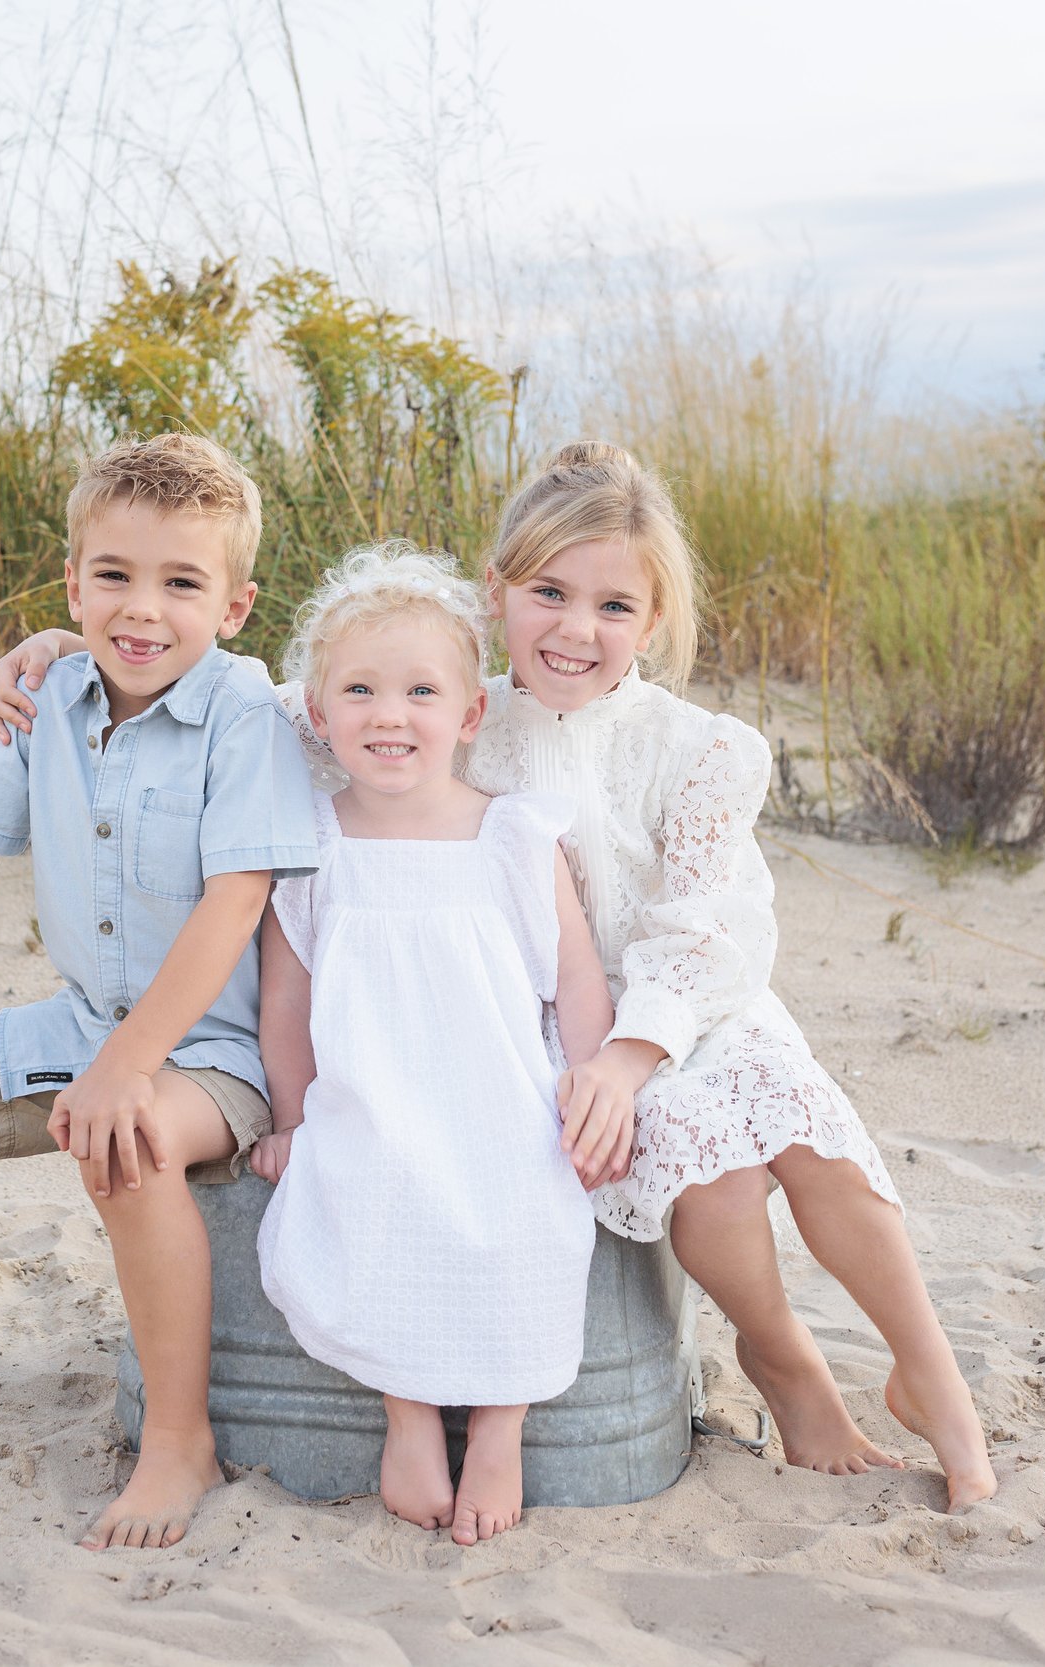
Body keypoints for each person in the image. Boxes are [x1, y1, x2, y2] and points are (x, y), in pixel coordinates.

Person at [0, 442, 999, 1511]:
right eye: (548, 593)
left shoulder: (697, 746)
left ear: (649, 623)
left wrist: (622, 1053)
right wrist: (67, 646)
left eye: (613, 605)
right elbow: (235, 673)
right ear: (498, 594)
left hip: (678, 1006)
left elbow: (710, 929)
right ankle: (780, 1353)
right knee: (713, 1183)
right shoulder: (449, 696)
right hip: (515, 1021)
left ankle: (924, 1365)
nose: (575, 628)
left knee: (795, 1122)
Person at [0, 432, 318, 1550]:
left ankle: (177, 1438)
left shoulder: (247, 716)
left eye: (181, 583)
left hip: (211, 1051)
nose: (143, 610)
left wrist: (127, 1068)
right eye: (115, 577)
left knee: (124, 1144)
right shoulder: (46, 694)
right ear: (73, 585)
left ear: (234, 606)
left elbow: (234, 904)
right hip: (84, 1022)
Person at [248, 544, 615, 1545]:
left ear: (468, 714)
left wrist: (592, 1085)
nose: (388, 713)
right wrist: (291, 1118)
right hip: (373, 1095)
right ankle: (406, 1414)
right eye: (358, 690)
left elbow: (574, 975)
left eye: (419, 690)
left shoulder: (512, 836)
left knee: (534, 1209)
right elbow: (286, 1004)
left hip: (502, 1093)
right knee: (364, 1192)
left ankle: (501, 1423)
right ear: (319, 715)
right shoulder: (312, 849)